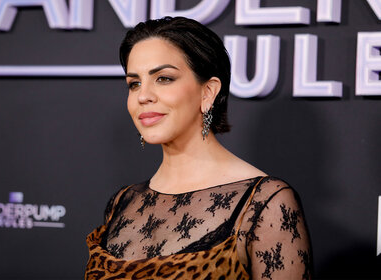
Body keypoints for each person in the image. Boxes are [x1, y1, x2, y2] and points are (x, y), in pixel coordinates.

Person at [85, 16, 311, 280]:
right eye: (134, 83)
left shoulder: (265, 203)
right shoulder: (122, 203)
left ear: (208, 92)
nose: (143, 95)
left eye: (164, 78)